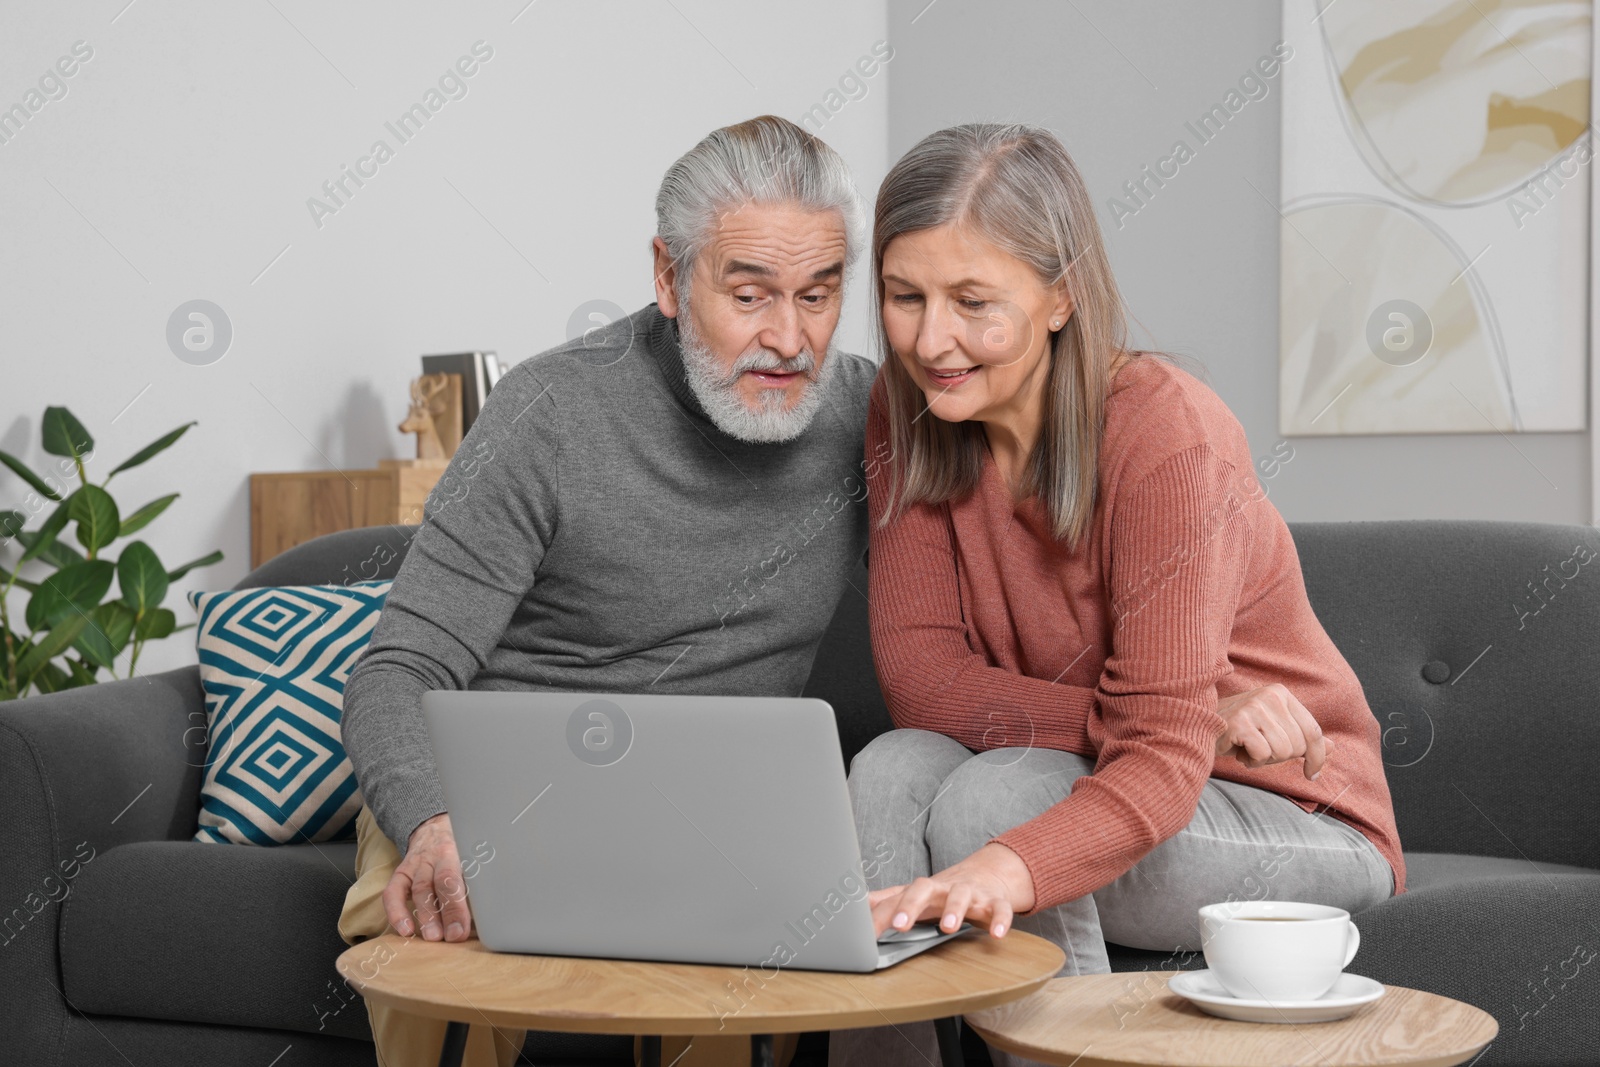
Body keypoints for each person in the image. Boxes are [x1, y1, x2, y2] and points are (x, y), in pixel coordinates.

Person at [334, 115, 1328, 1067]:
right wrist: (432, 818)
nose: (789, 336)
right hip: (501, 793)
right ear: (668, 277)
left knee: (839, 853)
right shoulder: (549, 412)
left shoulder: (875, 407)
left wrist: (1182, 702)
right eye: (750, 291)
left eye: (818, 292)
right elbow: (399, 667)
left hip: (706, 805)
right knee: (429, 940)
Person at [828, 123, 1405, 1067]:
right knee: (890, 768)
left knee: (992, 800)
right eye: (904, 296)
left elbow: (1157, 764)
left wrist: (1026, 848)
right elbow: (926, 687)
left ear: (1060, 296)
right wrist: (1186, 716)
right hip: (1150, 755)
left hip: (1290, 812)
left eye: (975, 302)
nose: (932, 340)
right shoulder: (913, 409)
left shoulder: (1163, 435)